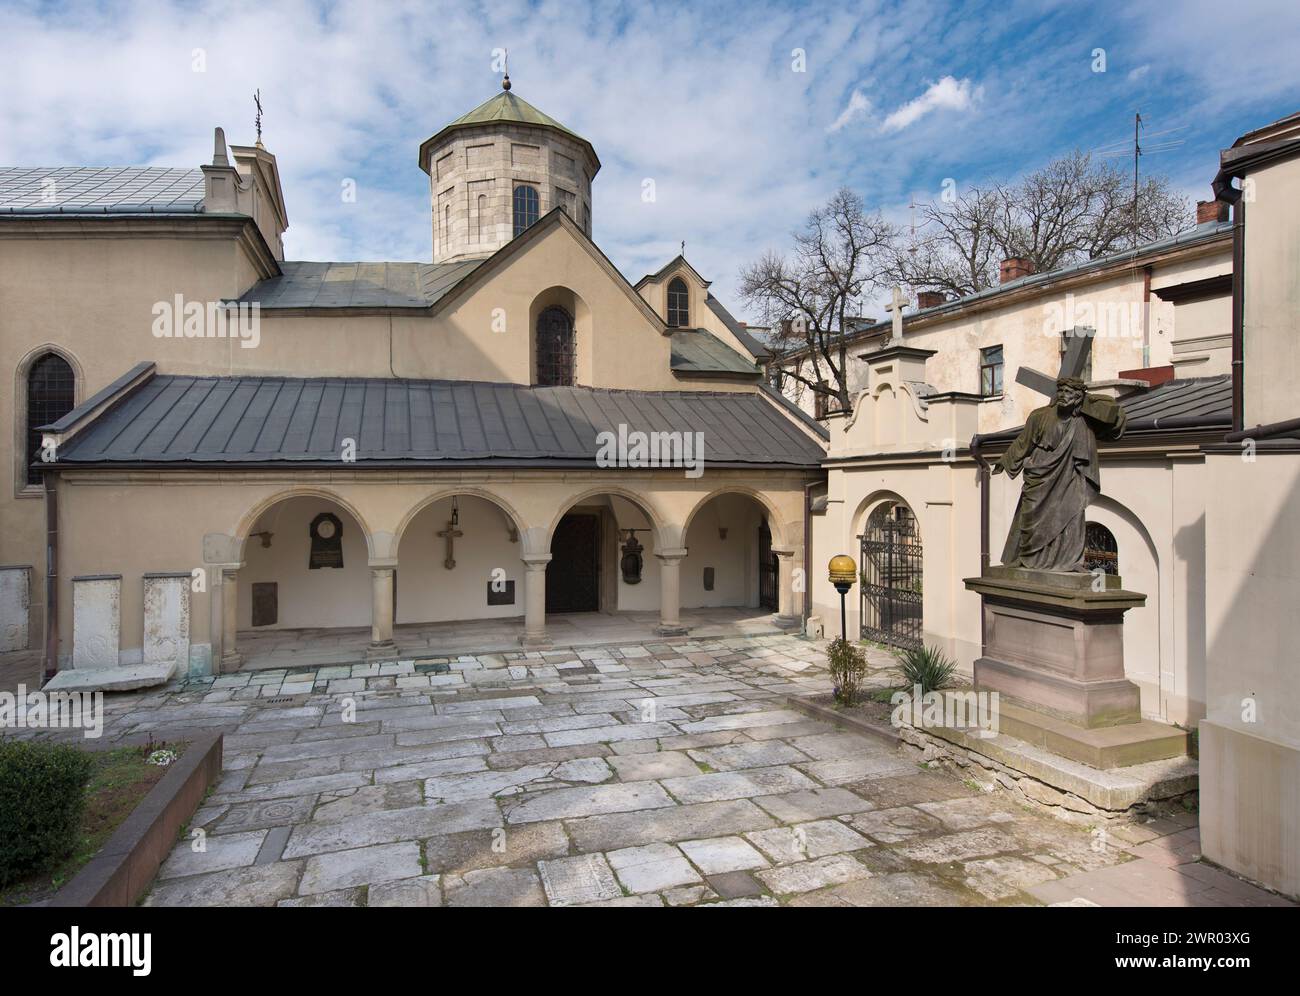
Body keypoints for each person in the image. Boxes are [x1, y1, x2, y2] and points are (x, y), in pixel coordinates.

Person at [993, 377, 1126, 572]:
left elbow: (1115, 420)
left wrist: (1088, 402)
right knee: (1031, 515)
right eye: (1061, 392)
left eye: (1069, 393)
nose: (1064, 396)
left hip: (1070, 476)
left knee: (1071, 514)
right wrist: (1006, 460)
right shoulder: (1040, 416)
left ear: (1079, 397)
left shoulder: (1085, 420)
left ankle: (1069, 561)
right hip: (1041, 476)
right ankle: (1029, 557)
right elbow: (1024, 442)